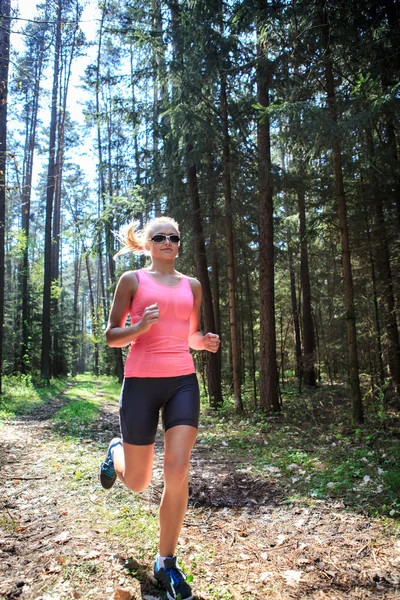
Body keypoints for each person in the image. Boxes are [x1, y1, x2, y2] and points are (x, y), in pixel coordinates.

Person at [99, 216, 220, 600]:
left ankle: (165, 562)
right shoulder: (132, 281)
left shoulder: (192, 286)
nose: (168, 242)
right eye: (160, 237)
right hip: (140, 384)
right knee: (137, 482)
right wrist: (138, 328)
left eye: (174, 237)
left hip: (182, 381)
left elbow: (190, 335)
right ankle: (115, 450)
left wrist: (205, 342)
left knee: (178, 468)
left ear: (179, 244)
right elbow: (111, 335)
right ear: (148, 244)